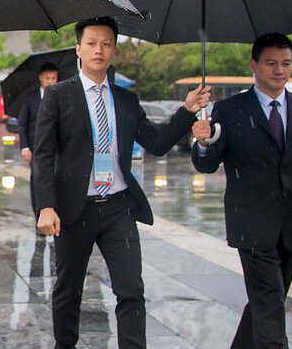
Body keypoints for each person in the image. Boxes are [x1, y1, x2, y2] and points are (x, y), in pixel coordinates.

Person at [34, 17, 210, 348]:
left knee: (131, 291)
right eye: (91, 43)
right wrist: (46, 205)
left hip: (118, 208)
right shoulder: (58, 96)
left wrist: (187, 111)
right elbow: (43, 157)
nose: (98, 50)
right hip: (74, 210)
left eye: (106, 44)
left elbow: (156, 143)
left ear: (114, 49)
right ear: (78, 48)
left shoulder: (126, 100)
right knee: (68, 291)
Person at [191, 33, 292, 348]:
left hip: (290, 224)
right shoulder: (230, 110)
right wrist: (203, 143)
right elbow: (207, 164)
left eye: (286, 63)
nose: (279, 70)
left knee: (266, 302)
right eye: (271, 63)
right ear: (254, 65)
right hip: (251, 224)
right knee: (270, 302)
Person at [18, 61, 59, 225]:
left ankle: (55, 213)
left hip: (57, 148)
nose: (51, 81)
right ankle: (39, 216)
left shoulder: (61, 96)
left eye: (54, 78)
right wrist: (25, 147)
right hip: (35, 149)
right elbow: (22, 123)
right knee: (38, 180)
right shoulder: (30, 98)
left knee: (58, 181)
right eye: (48, 78)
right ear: (41, 78)